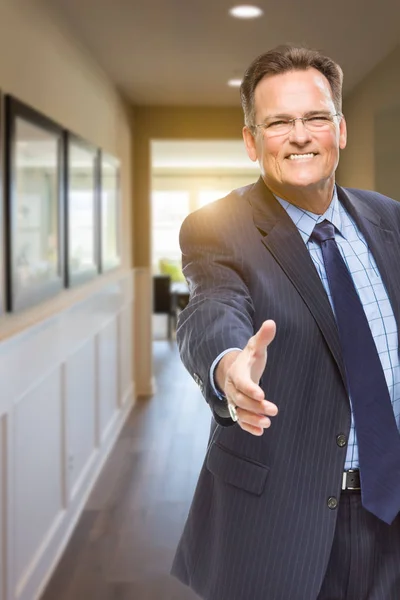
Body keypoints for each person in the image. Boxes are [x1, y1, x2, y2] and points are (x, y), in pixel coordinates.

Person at [171, 45, 400, 600]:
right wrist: (228, 369)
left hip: (391, 514)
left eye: (315, 117)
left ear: (339, 130)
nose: (300, 135)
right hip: (284, 524)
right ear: (252, 141)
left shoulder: (389, 219)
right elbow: (211, 307)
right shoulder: (218, 227)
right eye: (278, 122)